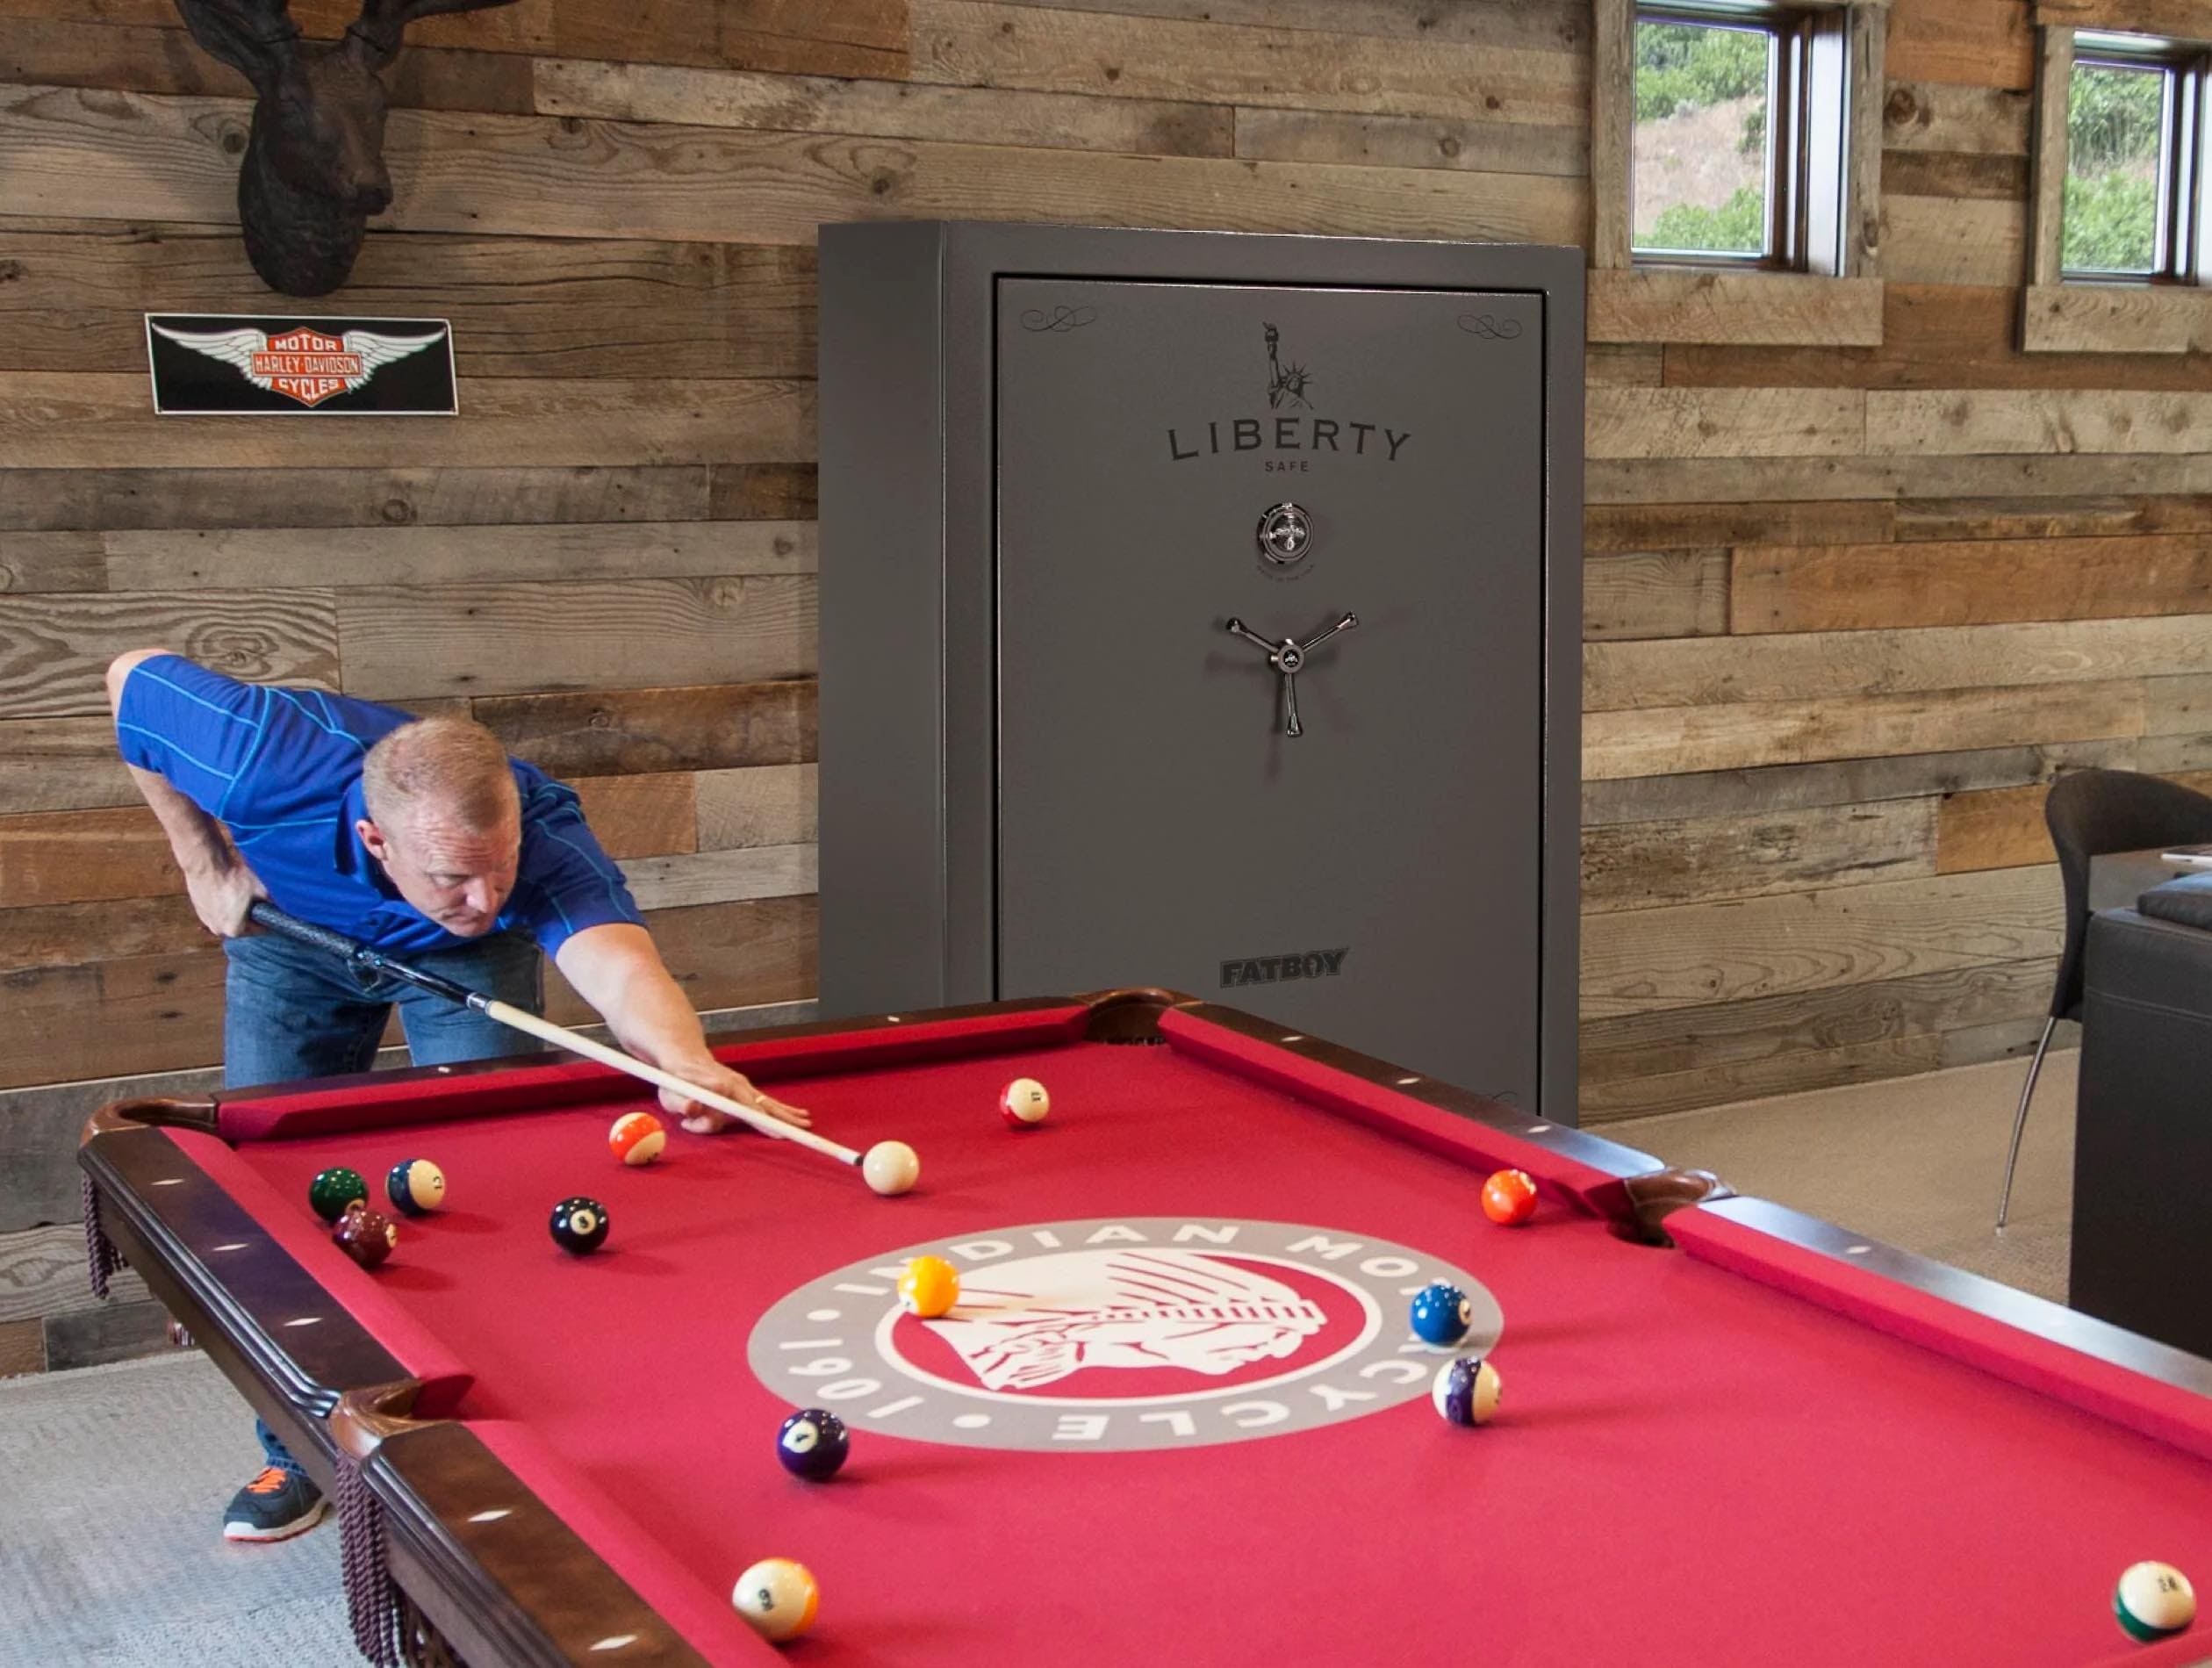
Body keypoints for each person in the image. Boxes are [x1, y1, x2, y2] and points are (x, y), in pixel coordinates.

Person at [107, 649, 809, 1543]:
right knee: (272, 1201)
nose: (482, 894)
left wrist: (684, 1058)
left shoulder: (539, 836)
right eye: (453, 876)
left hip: (465, 965)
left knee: (490, 1192)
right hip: (293, 943)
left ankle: (500, 1450)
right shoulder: (262, 753)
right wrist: (200, 857)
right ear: (376, 840)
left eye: (500, 867)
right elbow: (130, 681)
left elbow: (620, 967)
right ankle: (298, 1449)